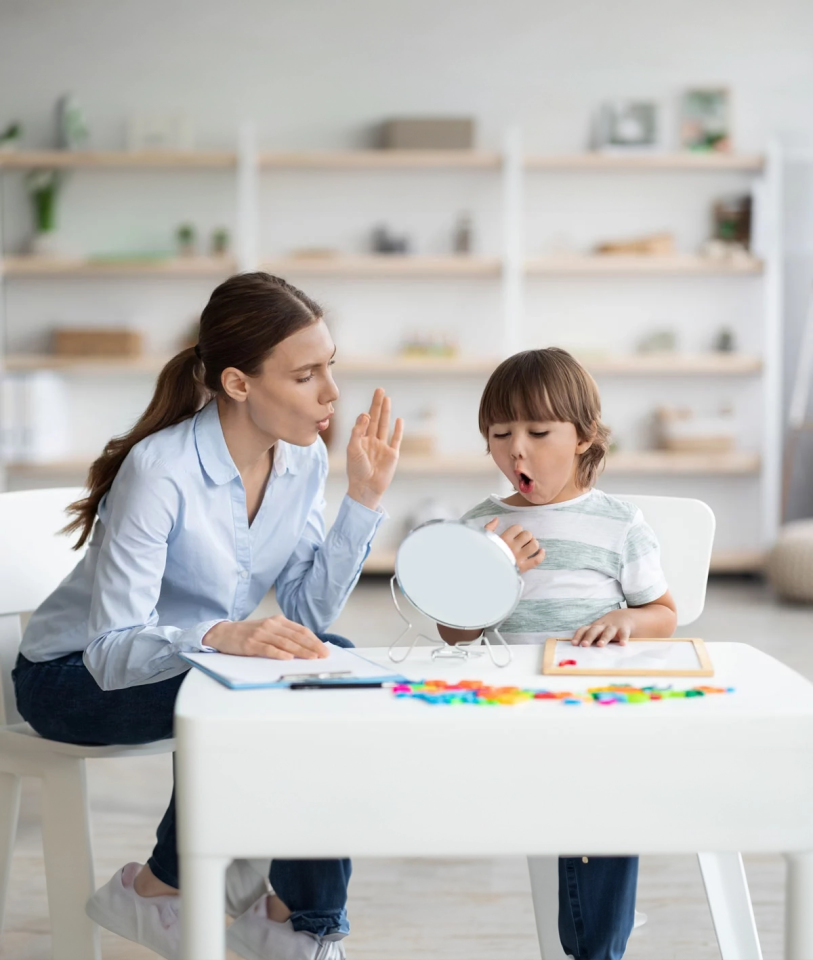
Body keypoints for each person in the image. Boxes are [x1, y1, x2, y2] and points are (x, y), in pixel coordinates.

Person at [13, 272, 403, 960]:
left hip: (191, 667)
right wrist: (220, 635)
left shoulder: (304, 461)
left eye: (330, 368)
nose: (331, 393)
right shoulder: (158, 471)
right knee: (248, 686)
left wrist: (364, 499)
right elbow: (109, 652)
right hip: (70, 680)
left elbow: (308, 612)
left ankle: (293, 921)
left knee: (329, 659)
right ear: (238, 383)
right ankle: (170, 891)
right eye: (306, 374)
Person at [438, 347, 677, 960]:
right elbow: (452, 634)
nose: (518, 450)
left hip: (592, 711)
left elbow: (664, 615)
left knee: (609, 790)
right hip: (508, 712)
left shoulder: (619, 524)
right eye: (500, 434)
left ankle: (597, 944)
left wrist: (628, 618)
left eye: (539, 432)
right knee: (596, 794)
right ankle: (597, 933)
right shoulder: (479, 526)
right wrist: (492, 573)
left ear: (583, 438)